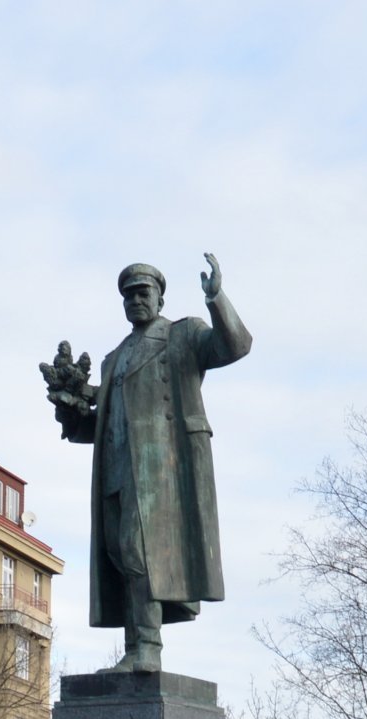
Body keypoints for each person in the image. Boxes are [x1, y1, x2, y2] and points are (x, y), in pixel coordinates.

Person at [42, 254, 251, 672]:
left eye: (143, 292)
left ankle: (147, 649)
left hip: (162, 473)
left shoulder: (182, 335)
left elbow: (234, 346)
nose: (136, 300)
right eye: (129, 295)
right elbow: (95, 426)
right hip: (117, 473)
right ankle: (136, 648)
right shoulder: (113, 359)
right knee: (122, 559)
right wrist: (69, 411)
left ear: (159, 298)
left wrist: (216, 298)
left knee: (141, 554)